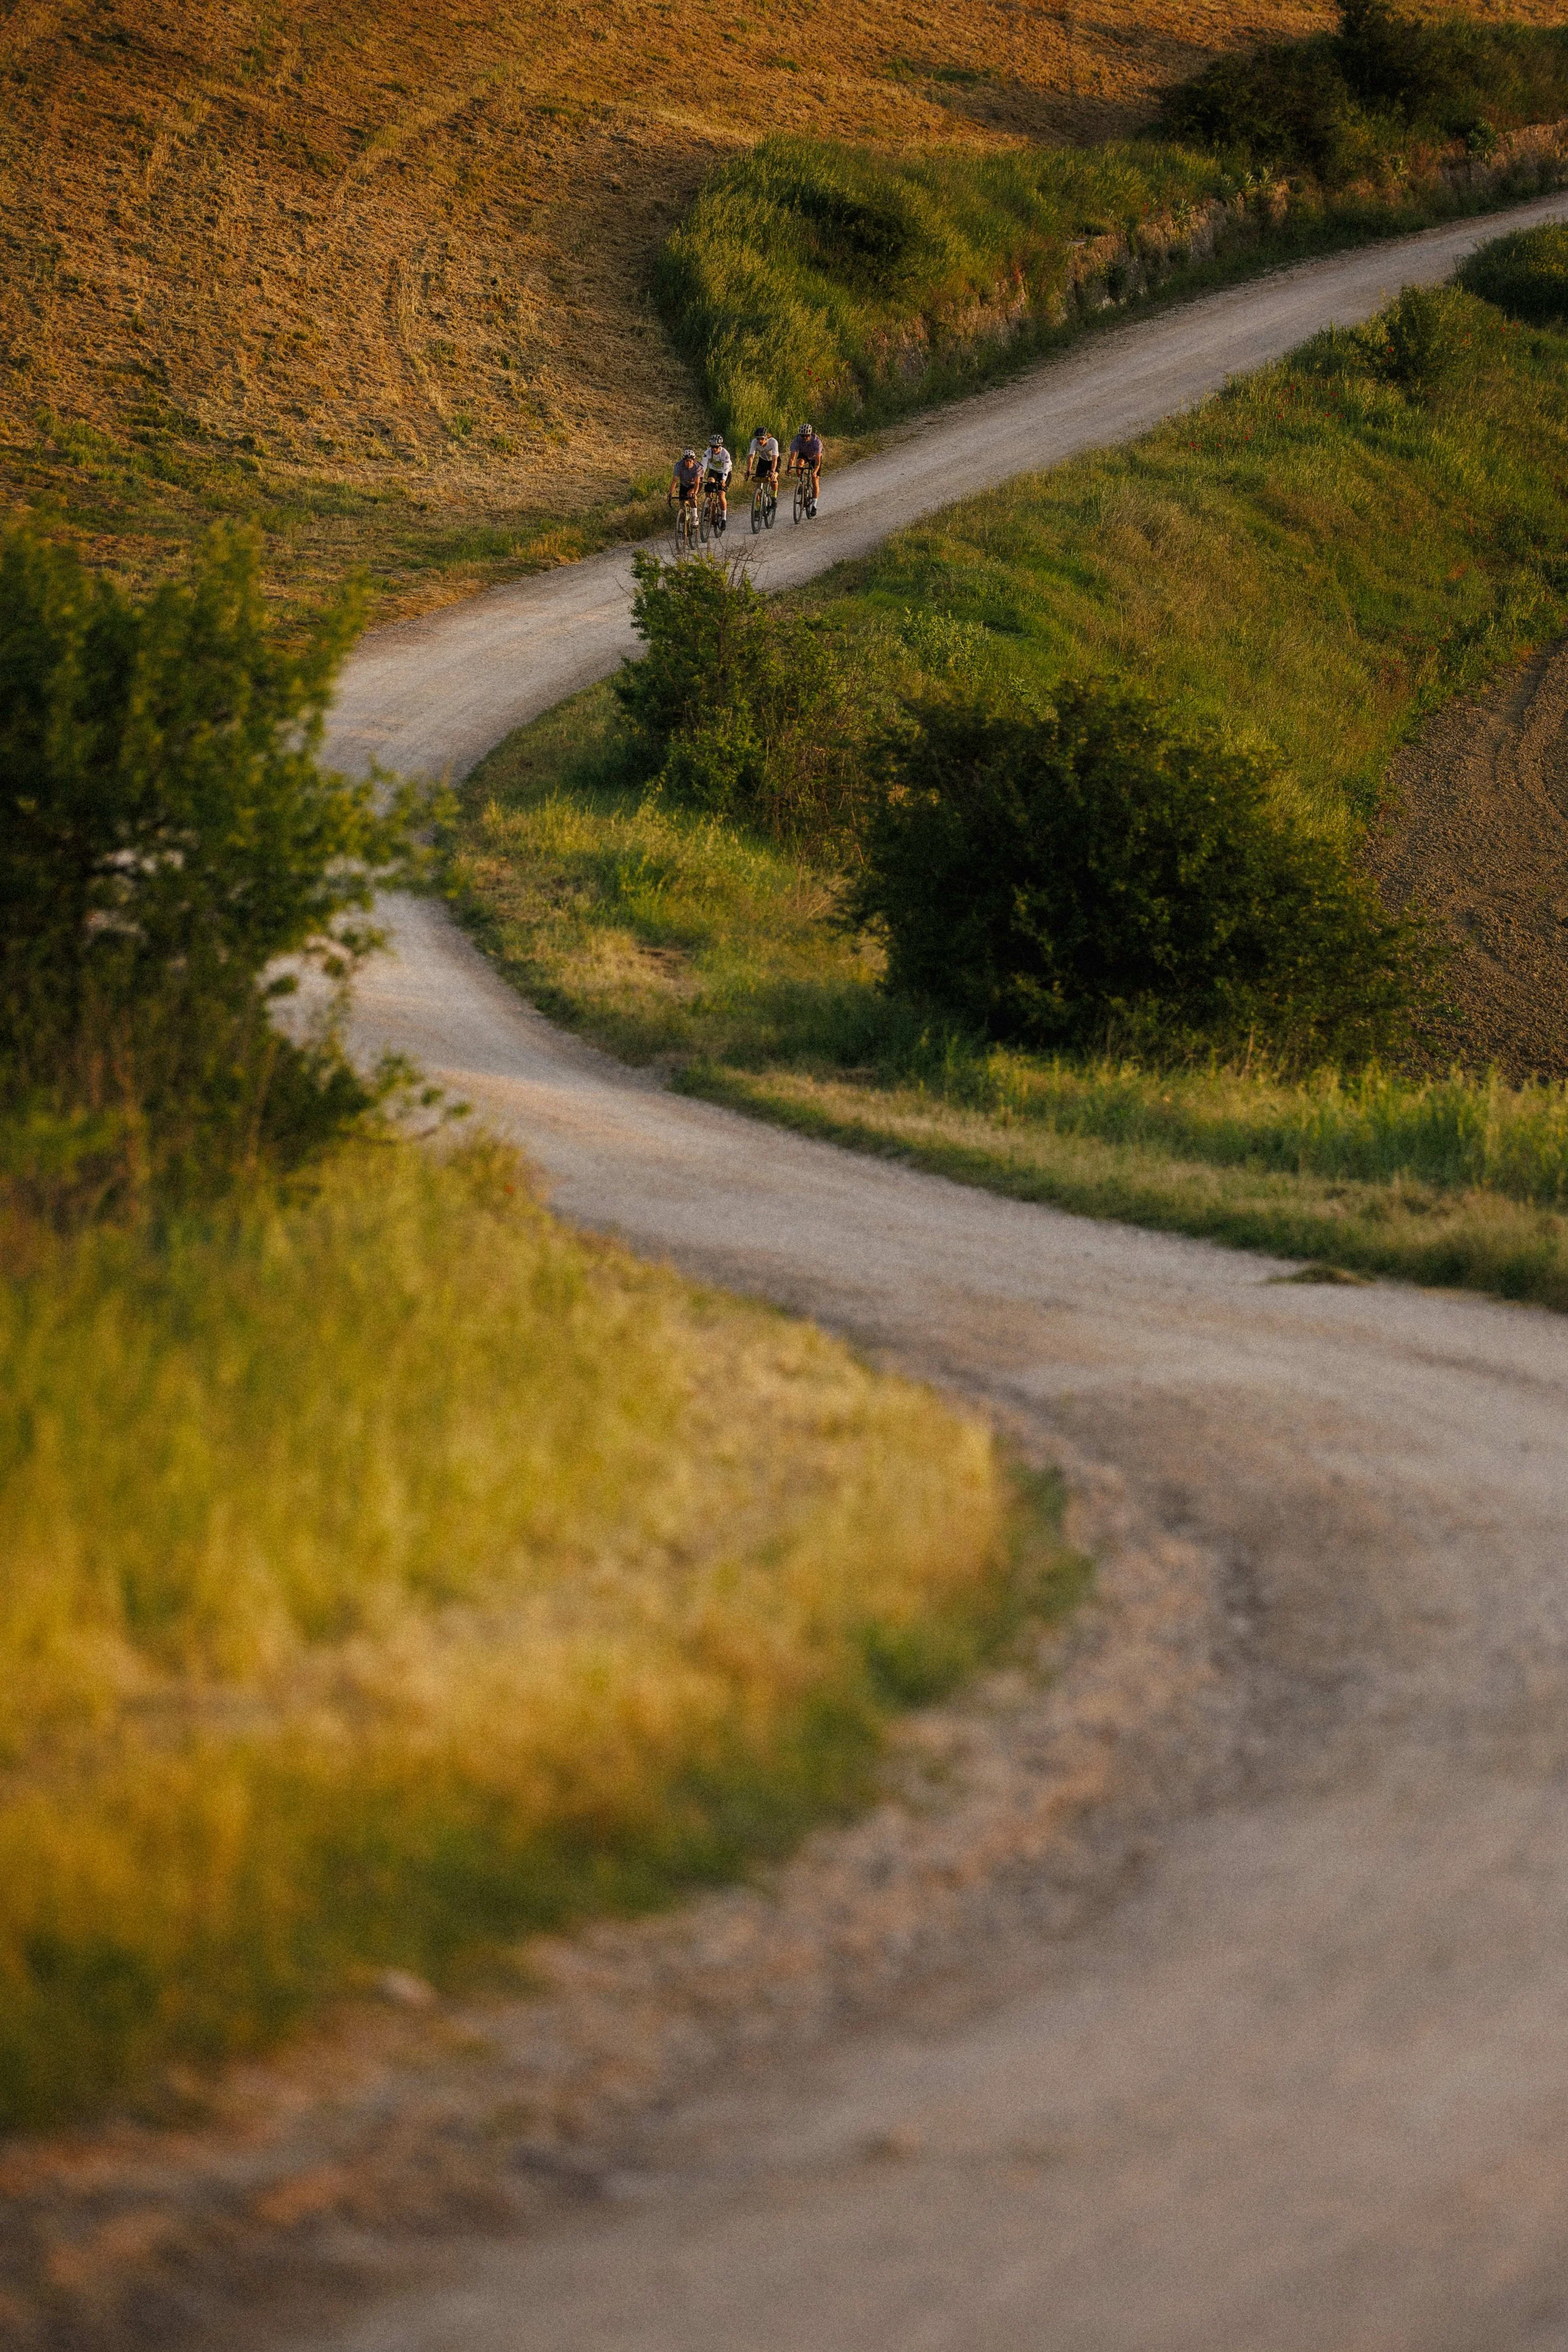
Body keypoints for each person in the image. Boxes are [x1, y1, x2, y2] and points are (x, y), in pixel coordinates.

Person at [788, 421, 823, 513]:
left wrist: (815, 472)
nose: (804, 438)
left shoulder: (816, 442)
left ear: (810, 434)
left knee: (815, 480)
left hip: (815, 457)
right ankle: (800, 481)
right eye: (802, 436)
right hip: (804, 454)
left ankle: (814, 506)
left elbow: (818, 463)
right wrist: (789, 468)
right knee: (799, 463)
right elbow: (792, 458)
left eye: (807, 436)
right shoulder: (797, 440)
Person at [702, 432, 733, 528]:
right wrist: (700, 478)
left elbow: (726, 469)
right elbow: (704, 466)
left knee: (721, 494)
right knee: (709, 485)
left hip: (725, 473)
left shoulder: (725, 454)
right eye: (712, 447)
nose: (714, 449)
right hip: (714, 471)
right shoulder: (707, 453)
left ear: (720, 446)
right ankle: (709, 505)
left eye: (716, 447)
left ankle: (724, 518)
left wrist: (723, 480)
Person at [669, 446, 702, 518]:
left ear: (693, 461)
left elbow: (697, 483)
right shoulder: (679, 466)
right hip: (684, 484)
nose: (689, 463)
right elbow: (674, 481)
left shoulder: (697, 467)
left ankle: (695, 517)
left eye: (690, 461)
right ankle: (682, 523)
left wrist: (695, 494)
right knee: (682, 504)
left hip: (695, 484)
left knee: (691, 495)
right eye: (687, 461)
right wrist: (670, 493)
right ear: (684, 460)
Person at [745, 424, 780, 490]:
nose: (760, 441)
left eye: (762, 439)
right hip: (763, 461)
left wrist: (772, 471)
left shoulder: (773, 442)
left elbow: (775, 458)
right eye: (758, 439)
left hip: (774, 461)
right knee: (758, 481)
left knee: (773, 479)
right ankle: (758, 500)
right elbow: (751, 457)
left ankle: (774, 497)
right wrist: (748, 470)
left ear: (766, 437)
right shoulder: (754, 442)